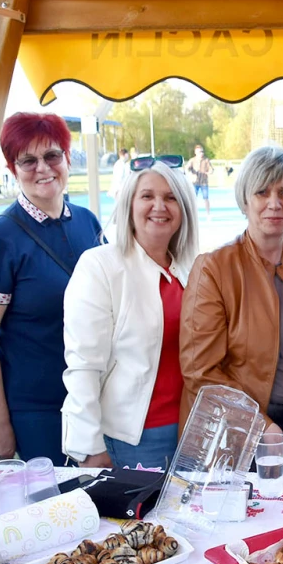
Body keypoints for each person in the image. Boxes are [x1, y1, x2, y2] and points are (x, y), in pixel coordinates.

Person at [180, 145, 283, 469]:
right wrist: (260, 428)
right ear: (245, 200)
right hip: (234, 438)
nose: (274, 203)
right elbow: (202, 371)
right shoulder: (214, 268)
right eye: (262, 192)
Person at [0, 112, 105, 464]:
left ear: (67, 159)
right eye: (28, 160)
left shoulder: (87, 222)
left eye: (52, 156)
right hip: (39, 411)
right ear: (12, 169)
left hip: (96, 401)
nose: (43, 168)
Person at [61, 162, 199, 470]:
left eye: (171, 197)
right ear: (129, 205)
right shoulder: (100, 266)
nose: (159, 206)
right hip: (130, 440)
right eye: (147, 196)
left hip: (190, 436)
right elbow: (83, 365)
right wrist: (90, 447)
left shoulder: (191, 271)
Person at [187, 144, 212, 218]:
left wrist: (209, 172)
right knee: (193, 198)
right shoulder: (192, 160)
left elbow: (211, 169)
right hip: (195, 182)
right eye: (200, 152)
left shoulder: (206, 160)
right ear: (196, 152)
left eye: (202, 151)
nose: (201, 153)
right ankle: (192, 214)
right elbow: (187, 168)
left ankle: (208, 214)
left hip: (204, 182)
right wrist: (191, 174)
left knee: (206, 198)